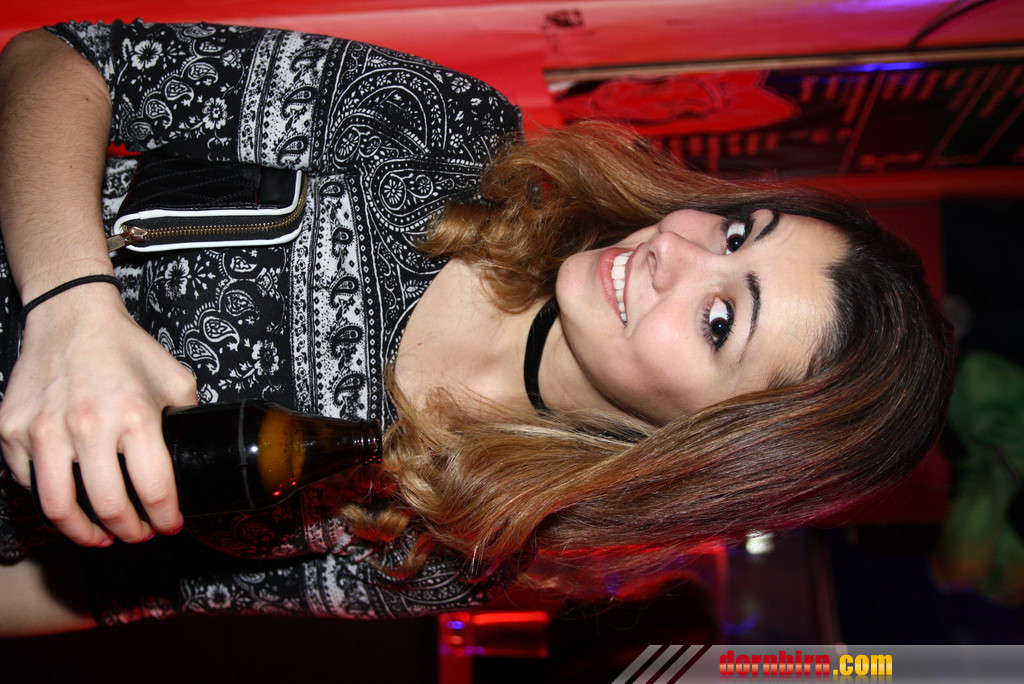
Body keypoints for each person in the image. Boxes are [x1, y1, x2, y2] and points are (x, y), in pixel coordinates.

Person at [0, 20, 955, 635]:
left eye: (719, 319)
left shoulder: (460, 552)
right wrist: (70, 304)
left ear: (709, 448)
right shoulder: (454, 140)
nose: (677, 248)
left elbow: (117, 592)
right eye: (736, 232)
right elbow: (63, 60)